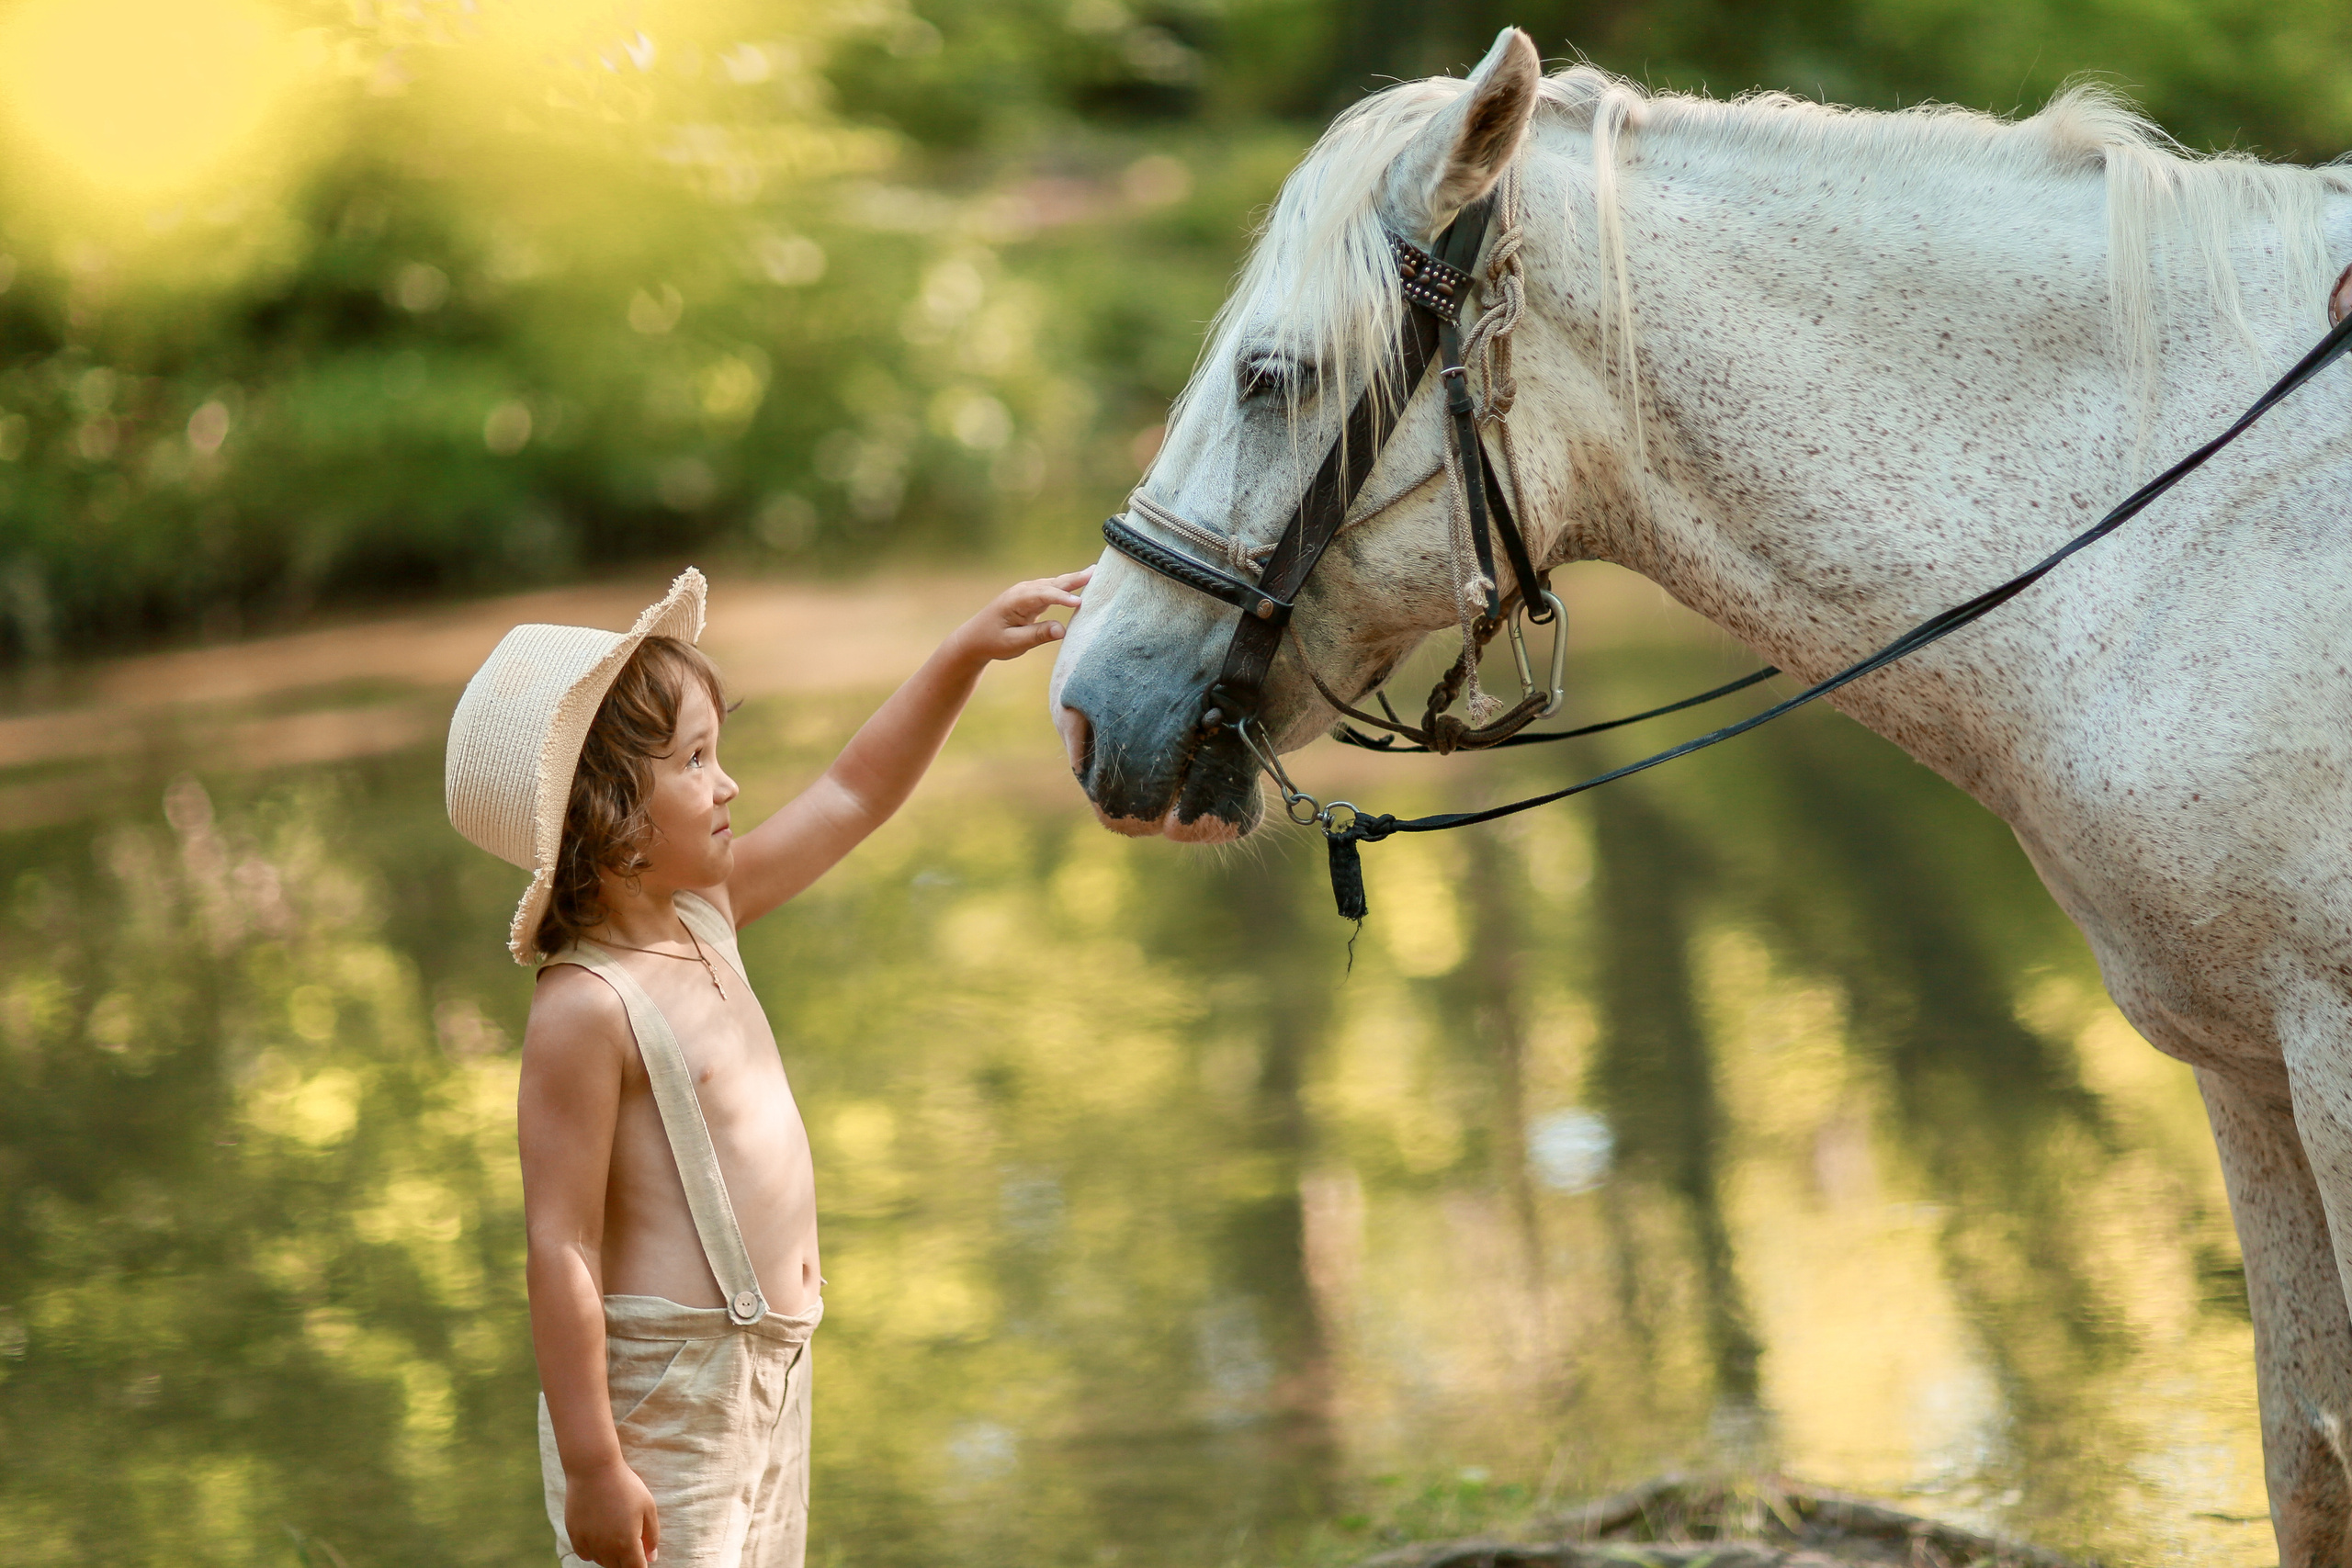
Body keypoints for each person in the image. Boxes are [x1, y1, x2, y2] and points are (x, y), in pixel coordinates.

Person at [443, 564, 1088, 1568]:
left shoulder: (704, 915)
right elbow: (559, 1246)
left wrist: (963, 651)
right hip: (668, 1404)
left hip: (772, 1373)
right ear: (605, 814)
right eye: (695, 760)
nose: (729, 782)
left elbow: (853, 789)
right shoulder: (584, 1006)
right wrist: (594, 1466)